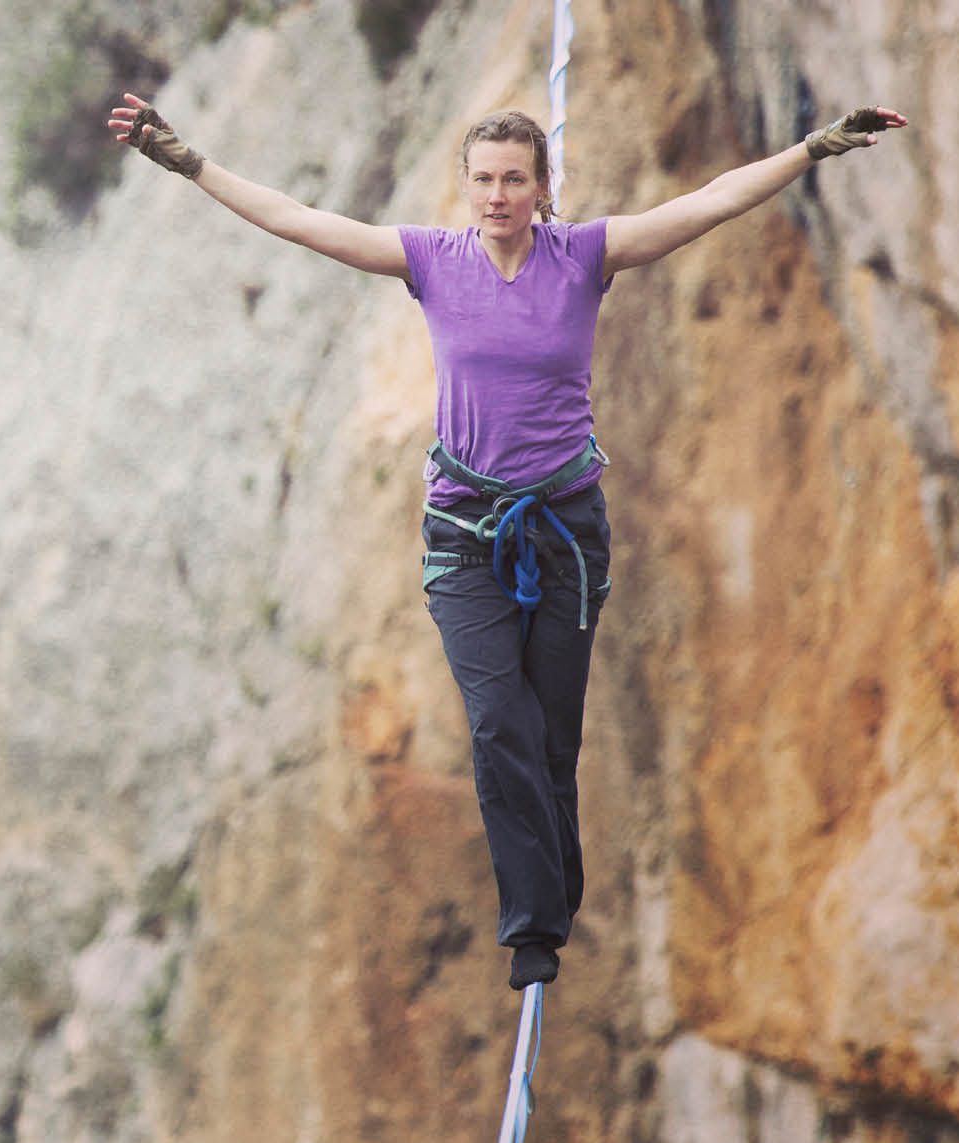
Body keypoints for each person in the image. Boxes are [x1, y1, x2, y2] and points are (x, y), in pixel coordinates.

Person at [107, 92, 909, 990]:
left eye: (514, 180)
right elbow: (298, 219)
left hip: (566, 530)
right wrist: (191, 163)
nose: (497, 196)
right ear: (465, 186)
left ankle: (556, 881)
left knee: (552, 737)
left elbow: (711, 201)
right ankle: (533, 925)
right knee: (499, 723)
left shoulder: (585, 257)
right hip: (464, 531)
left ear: (541, 187)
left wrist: (815, 146)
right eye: (484, 180)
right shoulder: (431, 261)